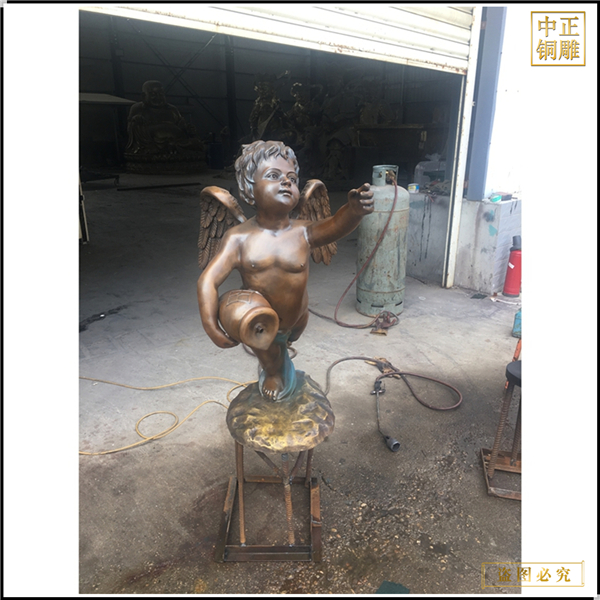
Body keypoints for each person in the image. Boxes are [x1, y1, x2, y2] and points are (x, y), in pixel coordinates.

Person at [197, 140, 374, 401]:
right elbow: (208, 281)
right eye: (273, 175)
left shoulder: (303, 231)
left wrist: (354, 212)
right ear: (248, 187)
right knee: (270, 356)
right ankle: (273, 373)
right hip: (260, 320)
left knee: (285, 345)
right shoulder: (239, 238)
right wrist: (212, 326)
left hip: (298, 316)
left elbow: (335, 226)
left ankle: (281, 362)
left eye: (292, 178)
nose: (286, 182)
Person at [126, 80, 203, 155]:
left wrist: (188, 130)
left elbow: (182, 126)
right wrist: (136, 120)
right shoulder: (137, 108)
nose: (158, 97)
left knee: (196, 144)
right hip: (151, 144)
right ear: (143, 96)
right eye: (153, 94)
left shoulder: (172, 109)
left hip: (176, 142)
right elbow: (131, 129)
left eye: (161, 94)